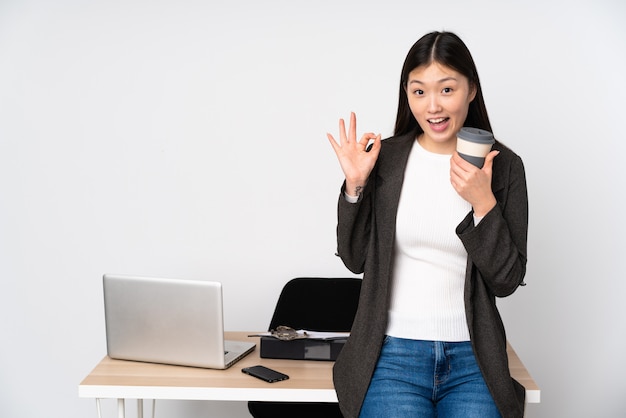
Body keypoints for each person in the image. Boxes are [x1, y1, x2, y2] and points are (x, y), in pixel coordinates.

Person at [326, 31, 528, 418]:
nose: (433, 106)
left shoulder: (504, 168)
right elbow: (354, 259)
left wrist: (483, 203)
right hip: (391, 357)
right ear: (407, 94)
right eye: (419, 92)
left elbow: (507, 280)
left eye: (447, 89)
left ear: (471, 90)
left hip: (474, 361)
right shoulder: (385, 159)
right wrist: (355, 186)